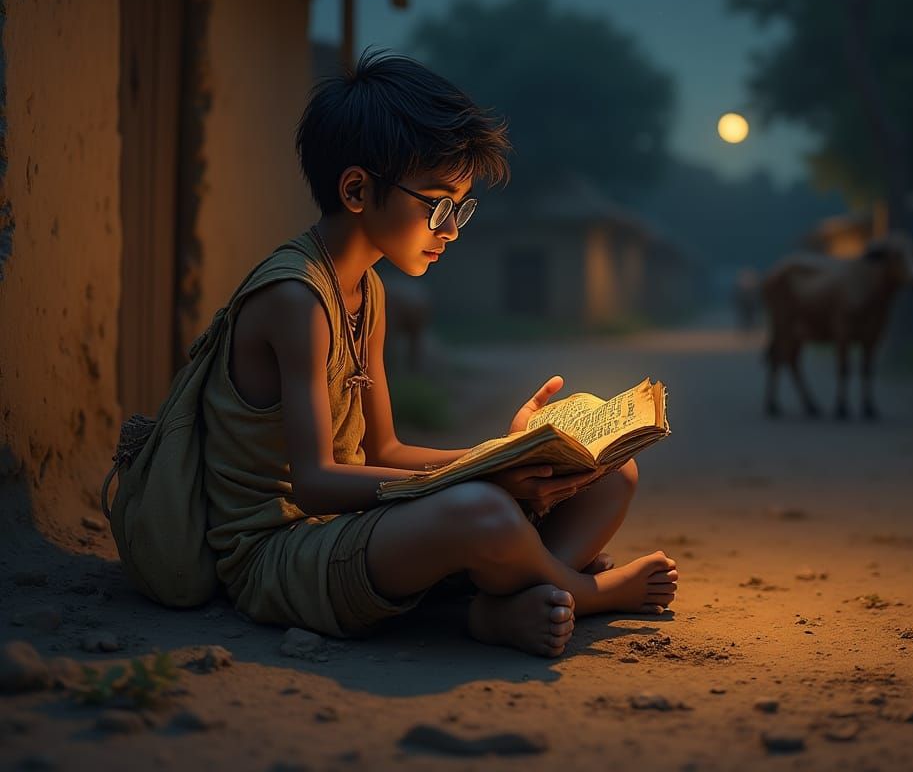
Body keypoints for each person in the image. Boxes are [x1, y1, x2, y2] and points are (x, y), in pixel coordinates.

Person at [201, 50, 677, 658]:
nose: (450, 230)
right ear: (356, 190)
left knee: (609, 475)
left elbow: (385, 452)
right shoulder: (296, 299)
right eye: (438, 205)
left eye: (461, 209)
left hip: (355, 532)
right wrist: (484, 479)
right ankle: (582, 592)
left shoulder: (367, 291)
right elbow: (316, 484)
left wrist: (512, 454)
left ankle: (499, 605)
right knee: (481, 510)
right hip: (284, 551)